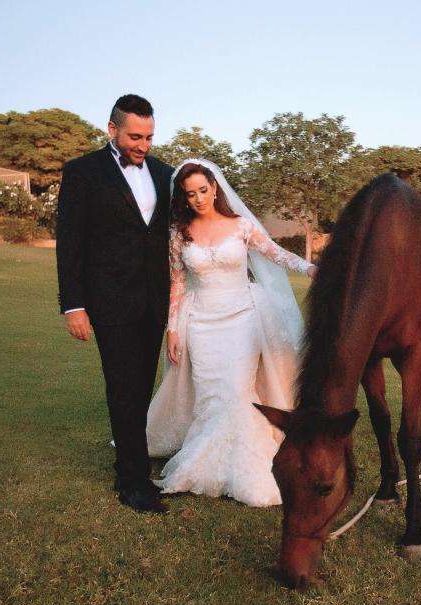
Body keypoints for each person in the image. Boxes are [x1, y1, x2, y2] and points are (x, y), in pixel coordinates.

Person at [145, 160, 316, 507]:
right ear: (183, 197)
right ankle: (204, 464)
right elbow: (177, 283)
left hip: (242, 320)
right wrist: (173, 330)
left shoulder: (240, 225)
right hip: (200, 323)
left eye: (203, 190)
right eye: (190, 194)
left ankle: (247, 471)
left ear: (215, 188)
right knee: (211, 396)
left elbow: (275, 253)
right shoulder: (180, 232)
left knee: (237, 392)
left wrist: (308, 267)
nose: (198, 198)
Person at [56, 95, 174, 514]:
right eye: (135, 137)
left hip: (154, 302)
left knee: (141, 389)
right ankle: (132, 482)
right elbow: (70, 242)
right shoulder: (82, 173)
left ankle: (135, 466)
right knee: (124, 389)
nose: (143, 145)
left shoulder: (164, 174)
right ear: (112, 129)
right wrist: (73, 305)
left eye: (149, 137)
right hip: (110, 301)